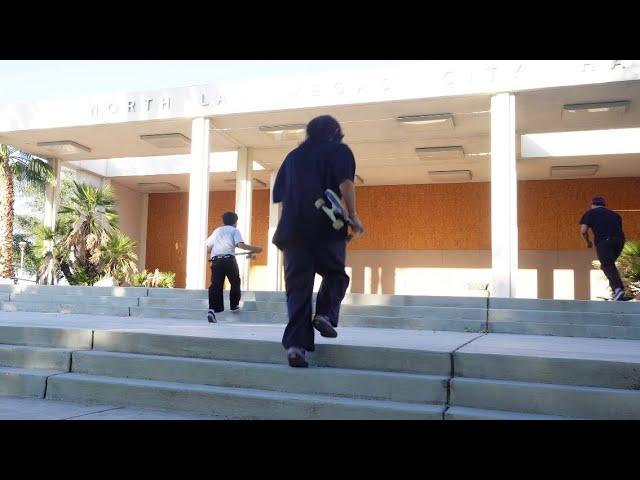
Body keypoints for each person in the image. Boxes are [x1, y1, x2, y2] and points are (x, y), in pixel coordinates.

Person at [272, 115, 365, 368]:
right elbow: (346, 182)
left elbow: (280, 195)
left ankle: (296, 347)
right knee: (336, 275)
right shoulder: (339, 150)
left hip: (292, 232)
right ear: (336, 131)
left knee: (298, 290)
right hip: (327, 225)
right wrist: (353, 216)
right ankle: (324, 314)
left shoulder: (292, 157)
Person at [205, 211, 262, 323]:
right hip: (229, 260)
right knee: (235, 281)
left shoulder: (217, 231)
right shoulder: (234, 231)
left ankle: (212, 310)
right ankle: (234, 305)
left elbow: (208, 249)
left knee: (216, 286)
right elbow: (240, 245)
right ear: (235, 222)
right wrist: (255, 249)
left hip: (216, 261)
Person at [579, 195, 626, 301]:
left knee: (607, 265)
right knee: (609, 265)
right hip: (620, 241)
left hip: (604, 241)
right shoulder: (615, 215)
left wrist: (588, 242)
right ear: (604, 205)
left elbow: (583, 231)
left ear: (592, 205)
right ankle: (617, 291)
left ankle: (618, 290)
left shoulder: (590, 213)